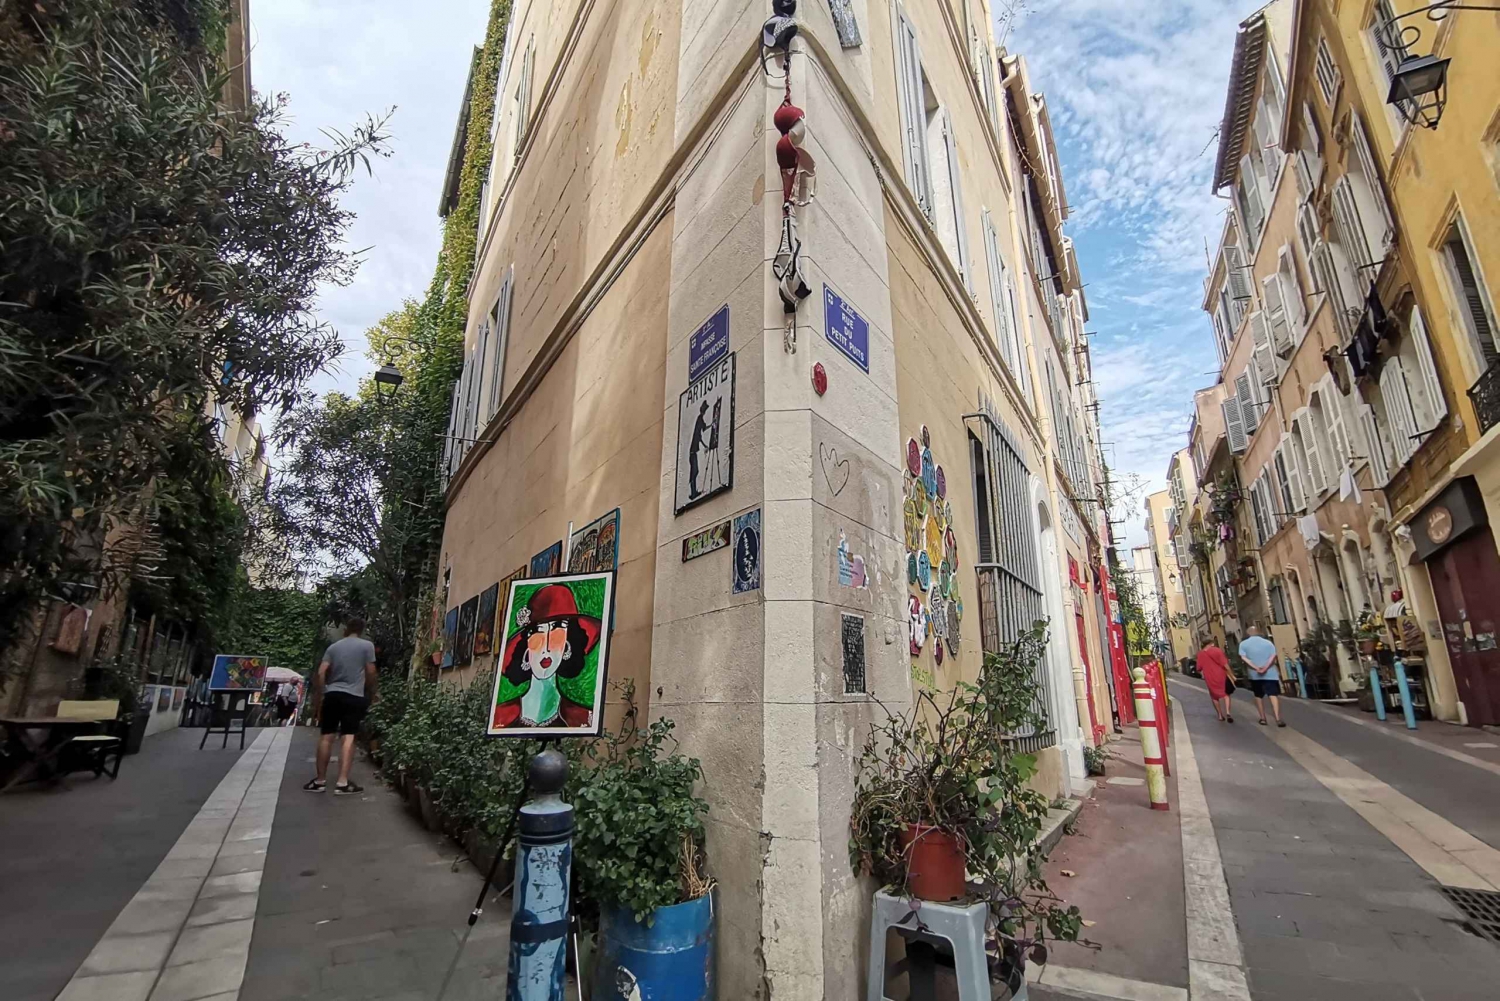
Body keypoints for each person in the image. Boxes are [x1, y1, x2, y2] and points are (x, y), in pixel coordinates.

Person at [305, 618, 377, 794]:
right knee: (348, 737)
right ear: (361, 630)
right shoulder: (367, 646)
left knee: (326, 736)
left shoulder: (334, 647)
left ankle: (320, 781)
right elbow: (371, 671)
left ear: (346, 629)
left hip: (333, 694)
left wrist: (322, 693)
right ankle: (342, 782)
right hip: (354, 696)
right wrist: (372, 691)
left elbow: (321, 672)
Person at [1238, 625, 1285, 727]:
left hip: (1255, 675)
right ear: (1259, 632)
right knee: (1273, 695)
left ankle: (1263, 718)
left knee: (1258, 695)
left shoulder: (1243, 644)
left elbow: (1244, 658)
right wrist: (1265, 668)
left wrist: (1256, 668)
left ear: (1248, 633)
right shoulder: (1268, 643)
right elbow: (1273, 656)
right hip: (1270, 673)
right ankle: (1278, 718)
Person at [1196, 634, 1235, 723]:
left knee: (1214, 696)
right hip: (1221, 675)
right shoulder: (1217, 651)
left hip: (1209, 677)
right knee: (1226, 694)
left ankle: (1220, 715)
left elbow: (1198, 668)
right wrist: (1232, 675)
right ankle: (1228, 712)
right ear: (1211, 643)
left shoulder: (1201, 654)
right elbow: (1225, 664)